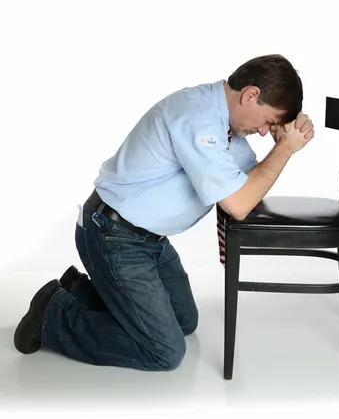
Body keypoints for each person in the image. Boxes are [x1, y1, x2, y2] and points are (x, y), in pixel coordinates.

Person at [14, 54, 314, 371]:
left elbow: (248, 184)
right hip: (114, 237)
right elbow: (239, 204)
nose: (266, 132)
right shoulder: (198, 118)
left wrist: (282, 143)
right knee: (164, 352)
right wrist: (285, 150)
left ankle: (82, 291)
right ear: (251, 95)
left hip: (148, 242)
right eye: (269, 122)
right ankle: (53, 315)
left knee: (184, 319)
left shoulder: (223, 122)